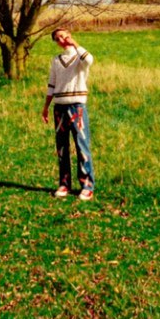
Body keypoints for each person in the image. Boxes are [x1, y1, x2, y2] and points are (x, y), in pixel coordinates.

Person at [41, 27, 95, 201]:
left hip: (77, 107)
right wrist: (46, 107)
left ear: (70, 36)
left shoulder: (79, 56)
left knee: (81, 146)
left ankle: (87, 186)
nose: (62, 39)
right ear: (56, 42)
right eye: (58, 38)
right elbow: (52, 83)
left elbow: (89, 60)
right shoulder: (56, 60)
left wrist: (76, 44)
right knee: (62, 148)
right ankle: (64, 184)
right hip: (59, 107)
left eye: (64, 36)